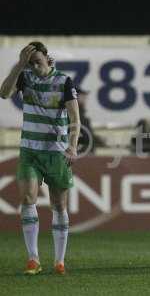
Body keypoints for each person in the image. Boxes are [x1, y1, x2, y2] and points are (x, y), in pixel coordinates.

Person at [0, 41, 80, 275]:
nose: (34, 66)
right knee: (27, 199)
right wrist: (18, 66)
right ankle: (33, 259)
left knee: (59, 205)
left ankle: (59, 261)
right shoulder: (25, 77)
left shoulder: (63, 81)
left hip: (56, 151)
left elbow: (75, 117)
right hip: (30, 150)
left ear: (47, 57)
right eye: (30, 62)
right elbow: (4, 93)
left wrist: (73, 147)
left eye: (37, 61)